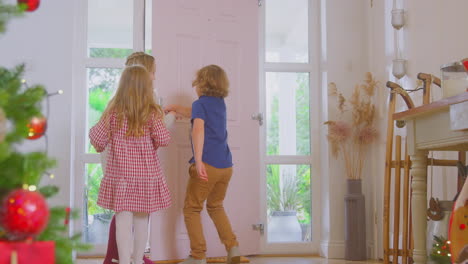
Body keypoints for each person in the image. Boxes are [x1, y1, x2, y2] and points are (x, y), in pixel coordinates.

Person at [89, 65, 172, 264]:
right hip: (146, 176)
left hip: (122, 177)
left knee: (123, 223)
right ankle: (138, 260)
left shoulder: (113, 112)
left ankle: (124, 261)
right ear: (146, 86)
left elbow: (97, 139)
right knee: (142, 221)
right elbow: (164, 138)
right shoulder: (151, 112)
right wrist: (150, 142)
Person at [166, 65, 241, 264]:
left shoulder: (200, 104)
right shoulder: (219, 103)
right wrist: (175, 109)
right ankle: (233, 248)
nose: (195, 87)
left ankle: (198, 256)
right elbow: (195, 112)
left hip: (207, 164)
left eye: (197, 83)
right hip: (226, 166)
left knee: (192, 209)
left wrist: (198, 161)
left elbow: (198, 129)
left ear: (203, 84)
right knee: (216, 206)